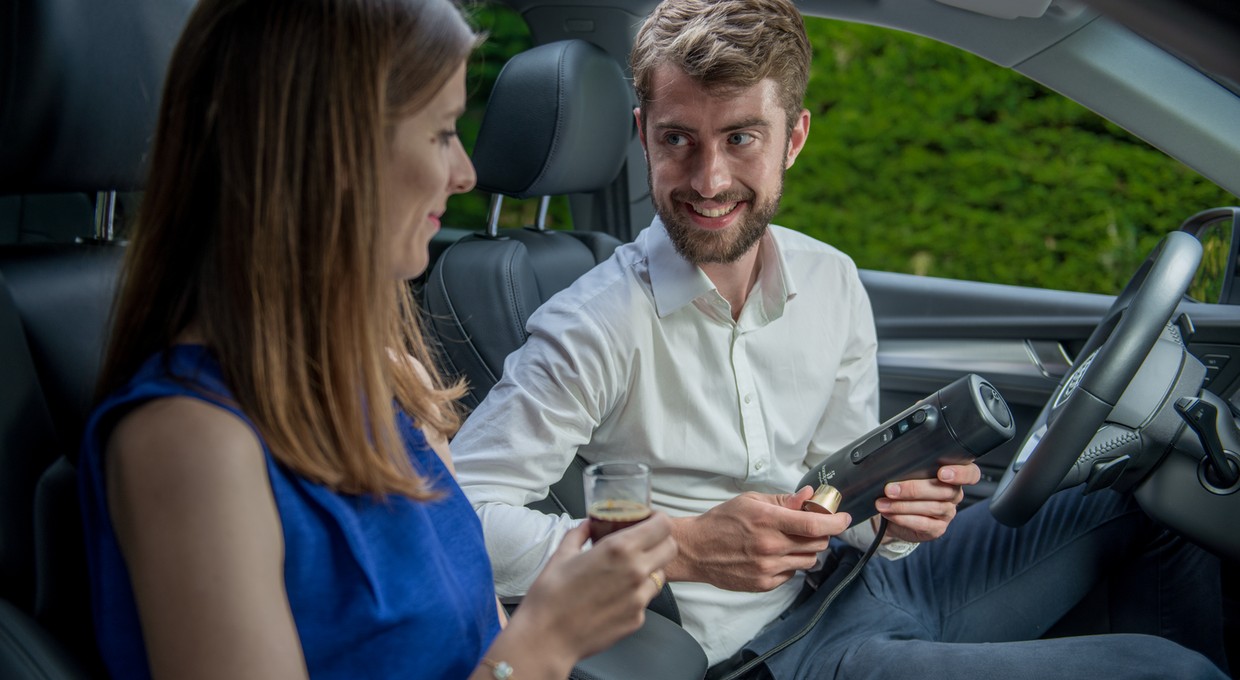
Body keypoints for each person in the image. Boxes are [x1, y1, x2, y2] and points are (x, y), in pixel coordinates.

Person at [449, 0, 1230, 677]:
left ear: (794, 138)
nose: (710, 180)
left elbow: (847, 495)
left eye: (742, 139)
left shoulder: (832, 280)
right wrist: (680, 548)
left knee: (1161, 499)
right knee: (1173, 673)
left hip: (875, 583)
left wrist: (898, 514)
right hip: (771, 655)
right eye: (679, 140)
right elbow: (458, 521)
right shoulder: (592, 322)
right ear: (642, 135)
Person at [76, 1, 677, 678]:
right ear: (331, 151)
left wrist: (547, 622)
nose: (466, 174)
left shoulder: (387, 381)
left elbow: (475, 625)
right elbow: (509, 651)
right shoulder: (191, 444)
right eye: (443, 132)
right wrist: (545, 643)